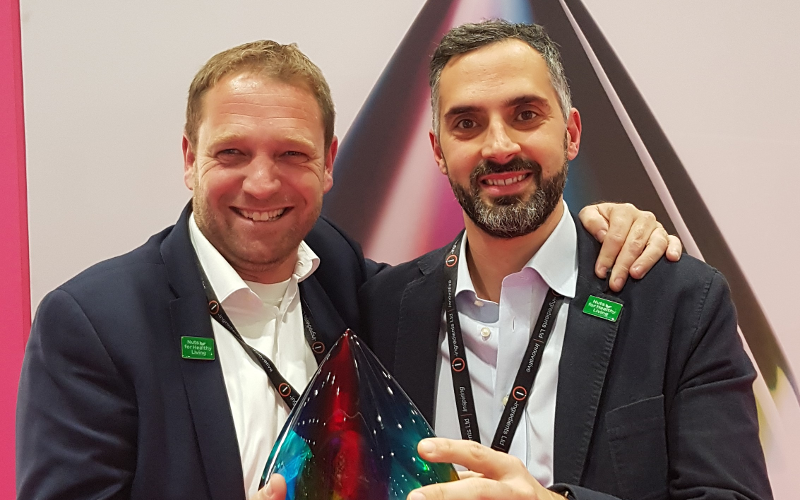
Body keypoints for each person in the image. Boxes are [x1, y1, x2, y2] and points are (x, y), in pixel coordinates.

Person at [17, 40, 680, 500]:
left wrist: (606, 224)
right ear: (190, 158)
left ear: (329, 162)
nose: (262, 183)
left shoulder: (350, 282)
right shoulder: (95, 324)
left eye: (291, 154)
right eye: (232, 153)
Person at [353, 21, 772, 500]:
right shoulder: (385, 308)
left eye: (525, 115)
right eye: (467, 124)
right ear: (438, 151)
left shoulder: (679, 303)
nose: (499, 147)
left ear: (571, 134)